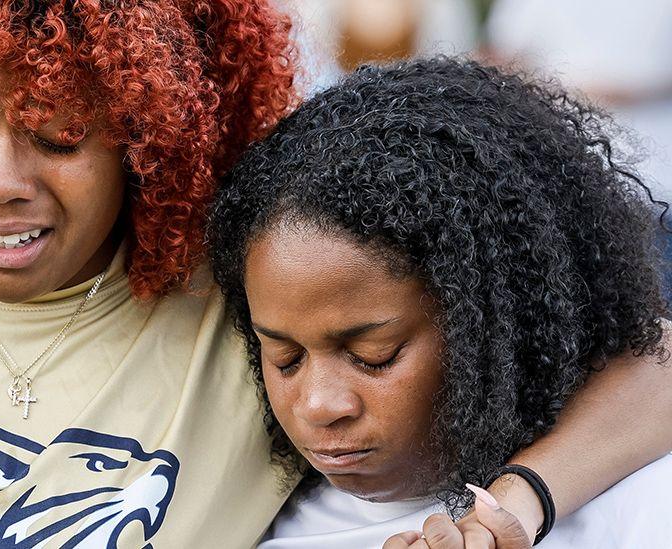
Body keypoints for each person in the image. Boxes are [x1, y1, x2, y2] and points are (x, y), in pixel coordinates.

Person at [0, 1, 669, 545]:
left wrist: (516, 508)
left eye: (61, 135)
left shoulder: (237, 311)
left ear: (147, 127)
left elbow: (649, 364)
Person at [208, 57, 672, 548]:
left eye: (374, 356)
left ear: (497, 325)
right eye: (286, 359)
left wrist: (518, 500)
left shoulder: (639, 507)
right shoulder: (253, 516)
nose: (319, 405)